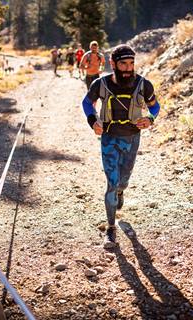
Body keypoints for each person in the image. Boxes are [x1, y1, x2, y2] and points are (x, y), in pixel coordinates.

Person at [81, 45, 161, 249]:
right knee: (112, 182)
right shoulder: (101, 84)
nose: (128, 68)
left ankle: (121, 192)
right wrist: (93, 121)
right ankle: (110, 228)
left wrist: (150, 118)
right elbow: (87, 103)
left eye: (131, 63)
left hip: (133, 138)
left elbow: (154, 106)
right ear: (113, 63)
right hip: (109, 138)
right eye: (124, 63)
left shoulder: (144, 85)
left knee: (123, 182)